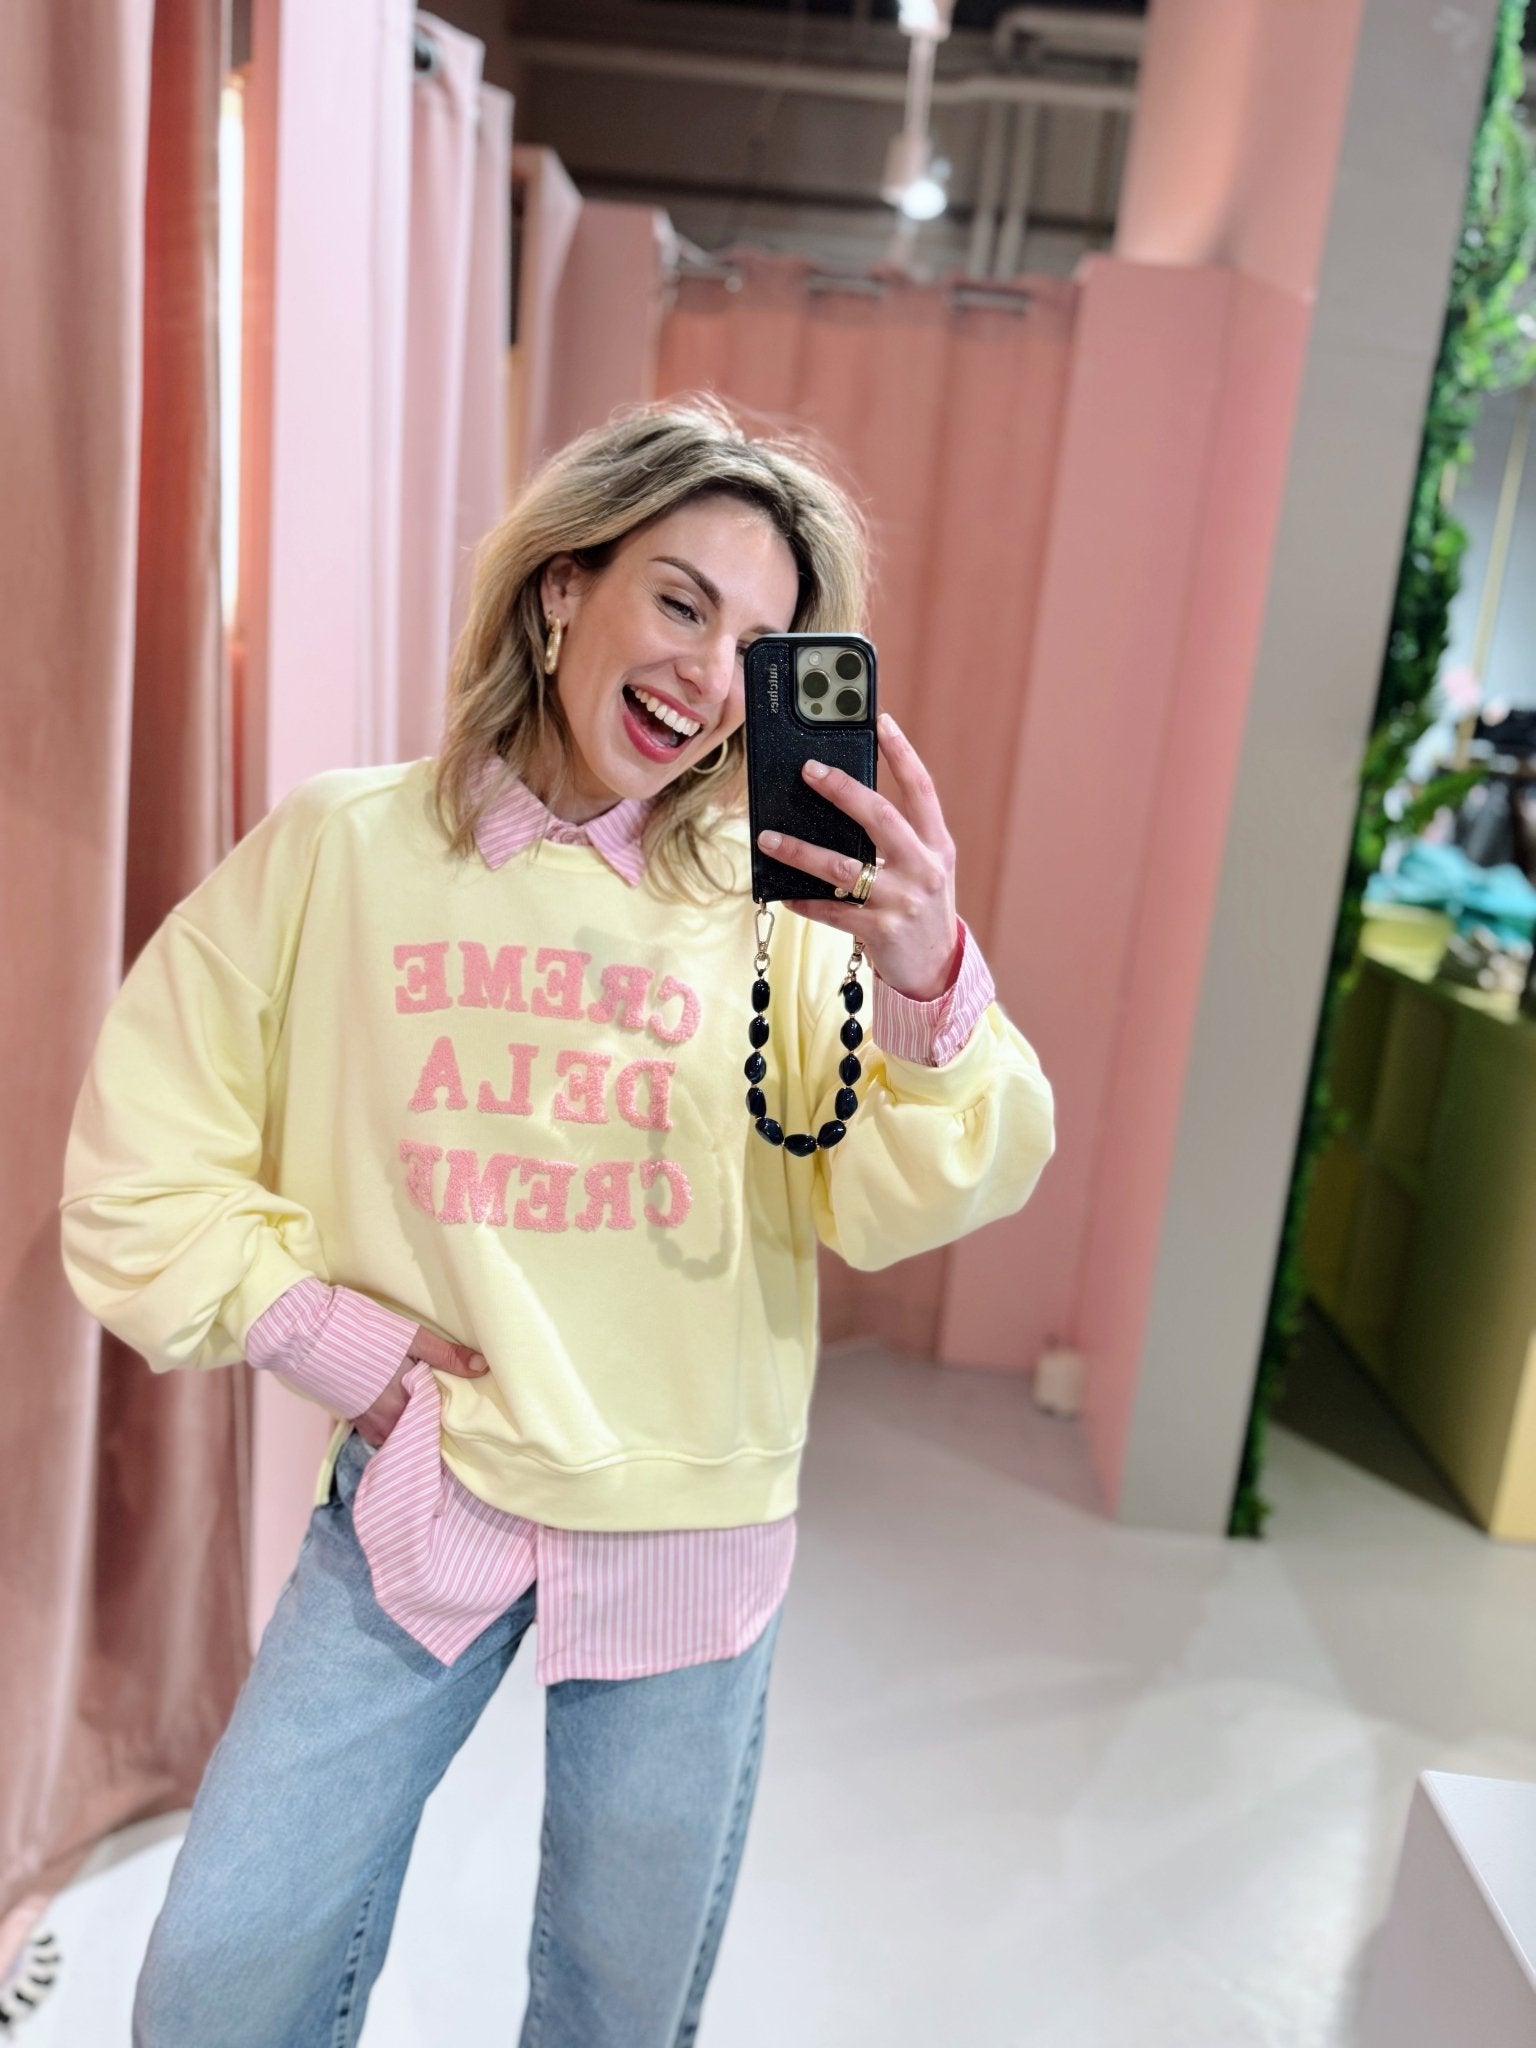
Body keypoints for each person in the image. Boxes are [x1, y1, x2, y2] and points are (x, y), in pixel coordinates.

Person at [60, 397, 1056, 2047]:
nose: (710, 673)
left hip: (691, 1521)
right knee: (218, 1977)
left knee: (610, 2011)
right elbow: (139, 1163)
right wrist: (340, 1345)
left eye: (761, 646)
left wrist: (925, 973)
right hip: (427, 1493)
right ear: (561, 588)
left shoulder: (782, 909)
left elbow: (906, 1194)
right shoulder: (345, 846)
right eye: (680, 602)